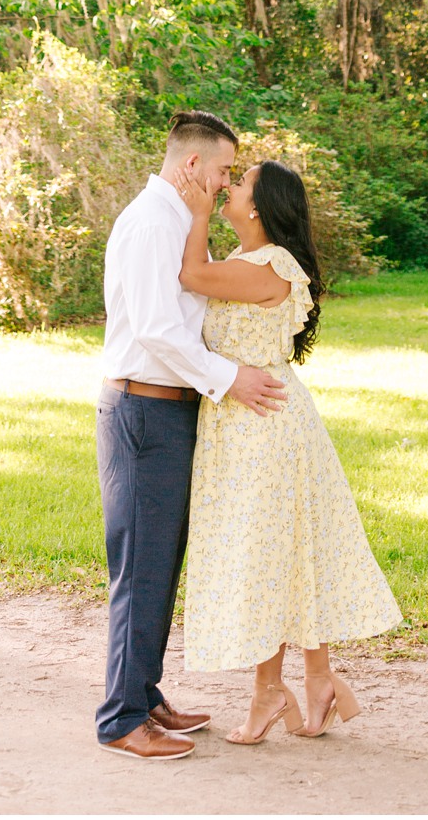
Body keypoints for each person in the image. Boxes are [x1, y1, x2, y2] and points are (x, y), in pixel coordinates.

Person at [176, 156, 403, 743]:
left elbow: (190, 276)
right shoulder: (245, 262)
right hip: (246, 424)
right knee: (281, 555)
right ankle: (314, 680)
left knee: (268, 558)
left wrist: (197, 211)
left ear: (257, 206)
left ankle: (272, 692)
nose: (227, 186)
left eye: (239, 182)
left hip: (266, 428)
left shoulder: (270, 265)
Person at [95, 110, 289, 762]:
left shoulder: (179, 222)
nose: (228, 181)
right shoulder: (153, 224)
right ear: (191, 167)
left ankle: (144, 695)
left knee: (159, 563)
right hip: (143, 412)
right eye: (224, 170)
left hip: (171, 411)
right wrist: (229, 376)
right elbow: (155, 329)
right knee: (140, 567)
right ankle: (122, 718)